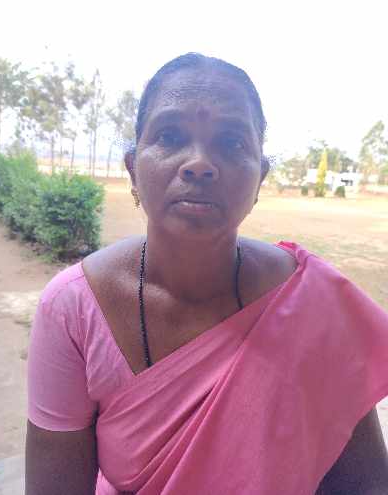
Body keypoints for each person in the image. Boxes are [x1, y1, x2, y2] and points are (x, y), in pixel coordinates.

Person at [26, 53, 388, 495]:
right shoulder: (74, 308)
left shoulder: (313, 301)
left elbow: (363, 483)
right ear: (133, 169)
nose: (199, 163)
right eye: (170, 135)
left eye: (232, 142)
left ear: (260, 179)